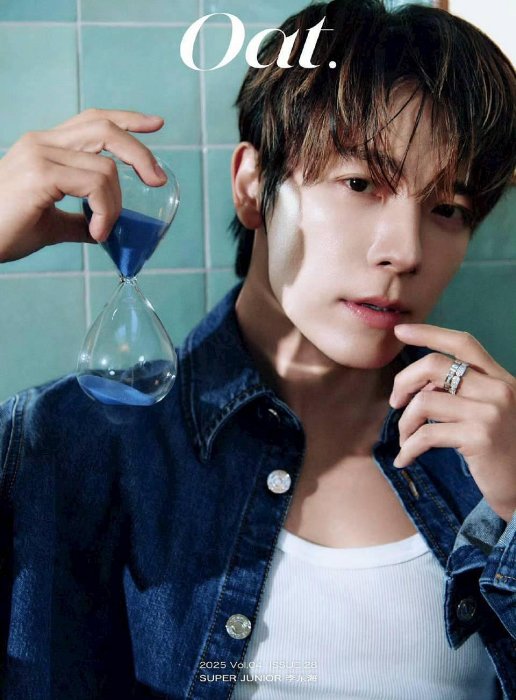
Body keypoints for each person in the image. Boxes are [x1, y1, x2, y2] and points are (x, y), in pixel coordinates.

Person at [0, 0, 515, 698]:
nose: (405, 251)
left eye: (447, 209)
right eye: (360, 184)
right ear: (251, 186)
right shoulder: (69, 442)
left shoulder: (496, 454)